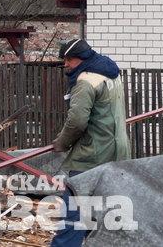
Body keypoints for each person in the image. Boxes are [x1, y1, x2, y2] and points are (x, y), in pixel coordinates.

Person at [50, 39, 130, 247]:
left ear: (82, 59)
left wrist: (62, 143)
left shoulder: (85, 81)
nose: (65, 64)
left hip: (91, 156)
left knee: (73, 214)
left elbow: (77, 121)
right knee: (102, 216)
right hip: (117, 154)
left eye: (69, 59)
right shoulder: (110, 73)